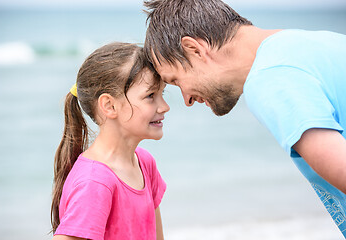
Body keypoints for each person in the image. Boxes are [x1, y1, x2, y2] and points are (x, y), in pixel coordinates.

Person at [143, 0, 346, 237]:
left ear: (195, 49)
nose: (186, 99)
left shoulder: (269, 78)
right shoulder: (317, 42)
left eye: (176, 80)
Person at [50, 42, 170, 240]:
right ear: (109, 106)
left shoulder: (144, 163)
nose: (164, 106)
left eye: (162, 94)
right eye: (150, 96)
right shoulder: (95, 182)